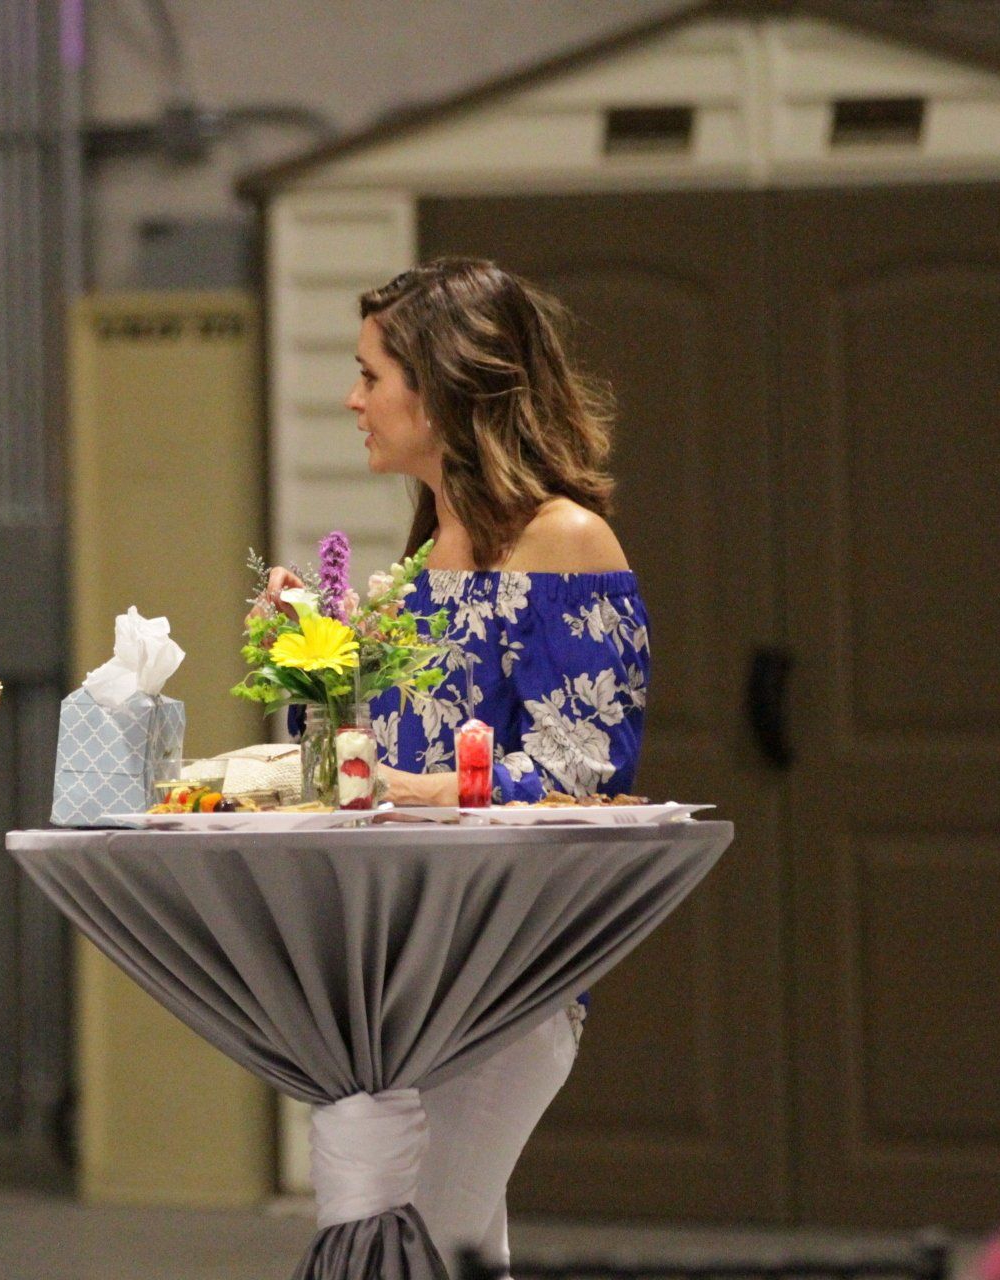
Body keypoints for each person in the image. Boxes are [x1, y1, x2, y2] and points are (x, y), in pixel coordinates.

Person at [261, 257, 648, 1268]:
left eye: (371, 376)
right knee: (449, 1246)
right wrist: (317, 664)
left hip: (500, 966)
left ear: (446, 383)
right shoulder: (431, 548)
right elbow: (387, 753)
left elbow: (583, 772)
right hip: (400, 961)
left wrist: (406, 788)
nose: (353, 399)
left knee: (415, 1241)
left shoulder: (566, 538)